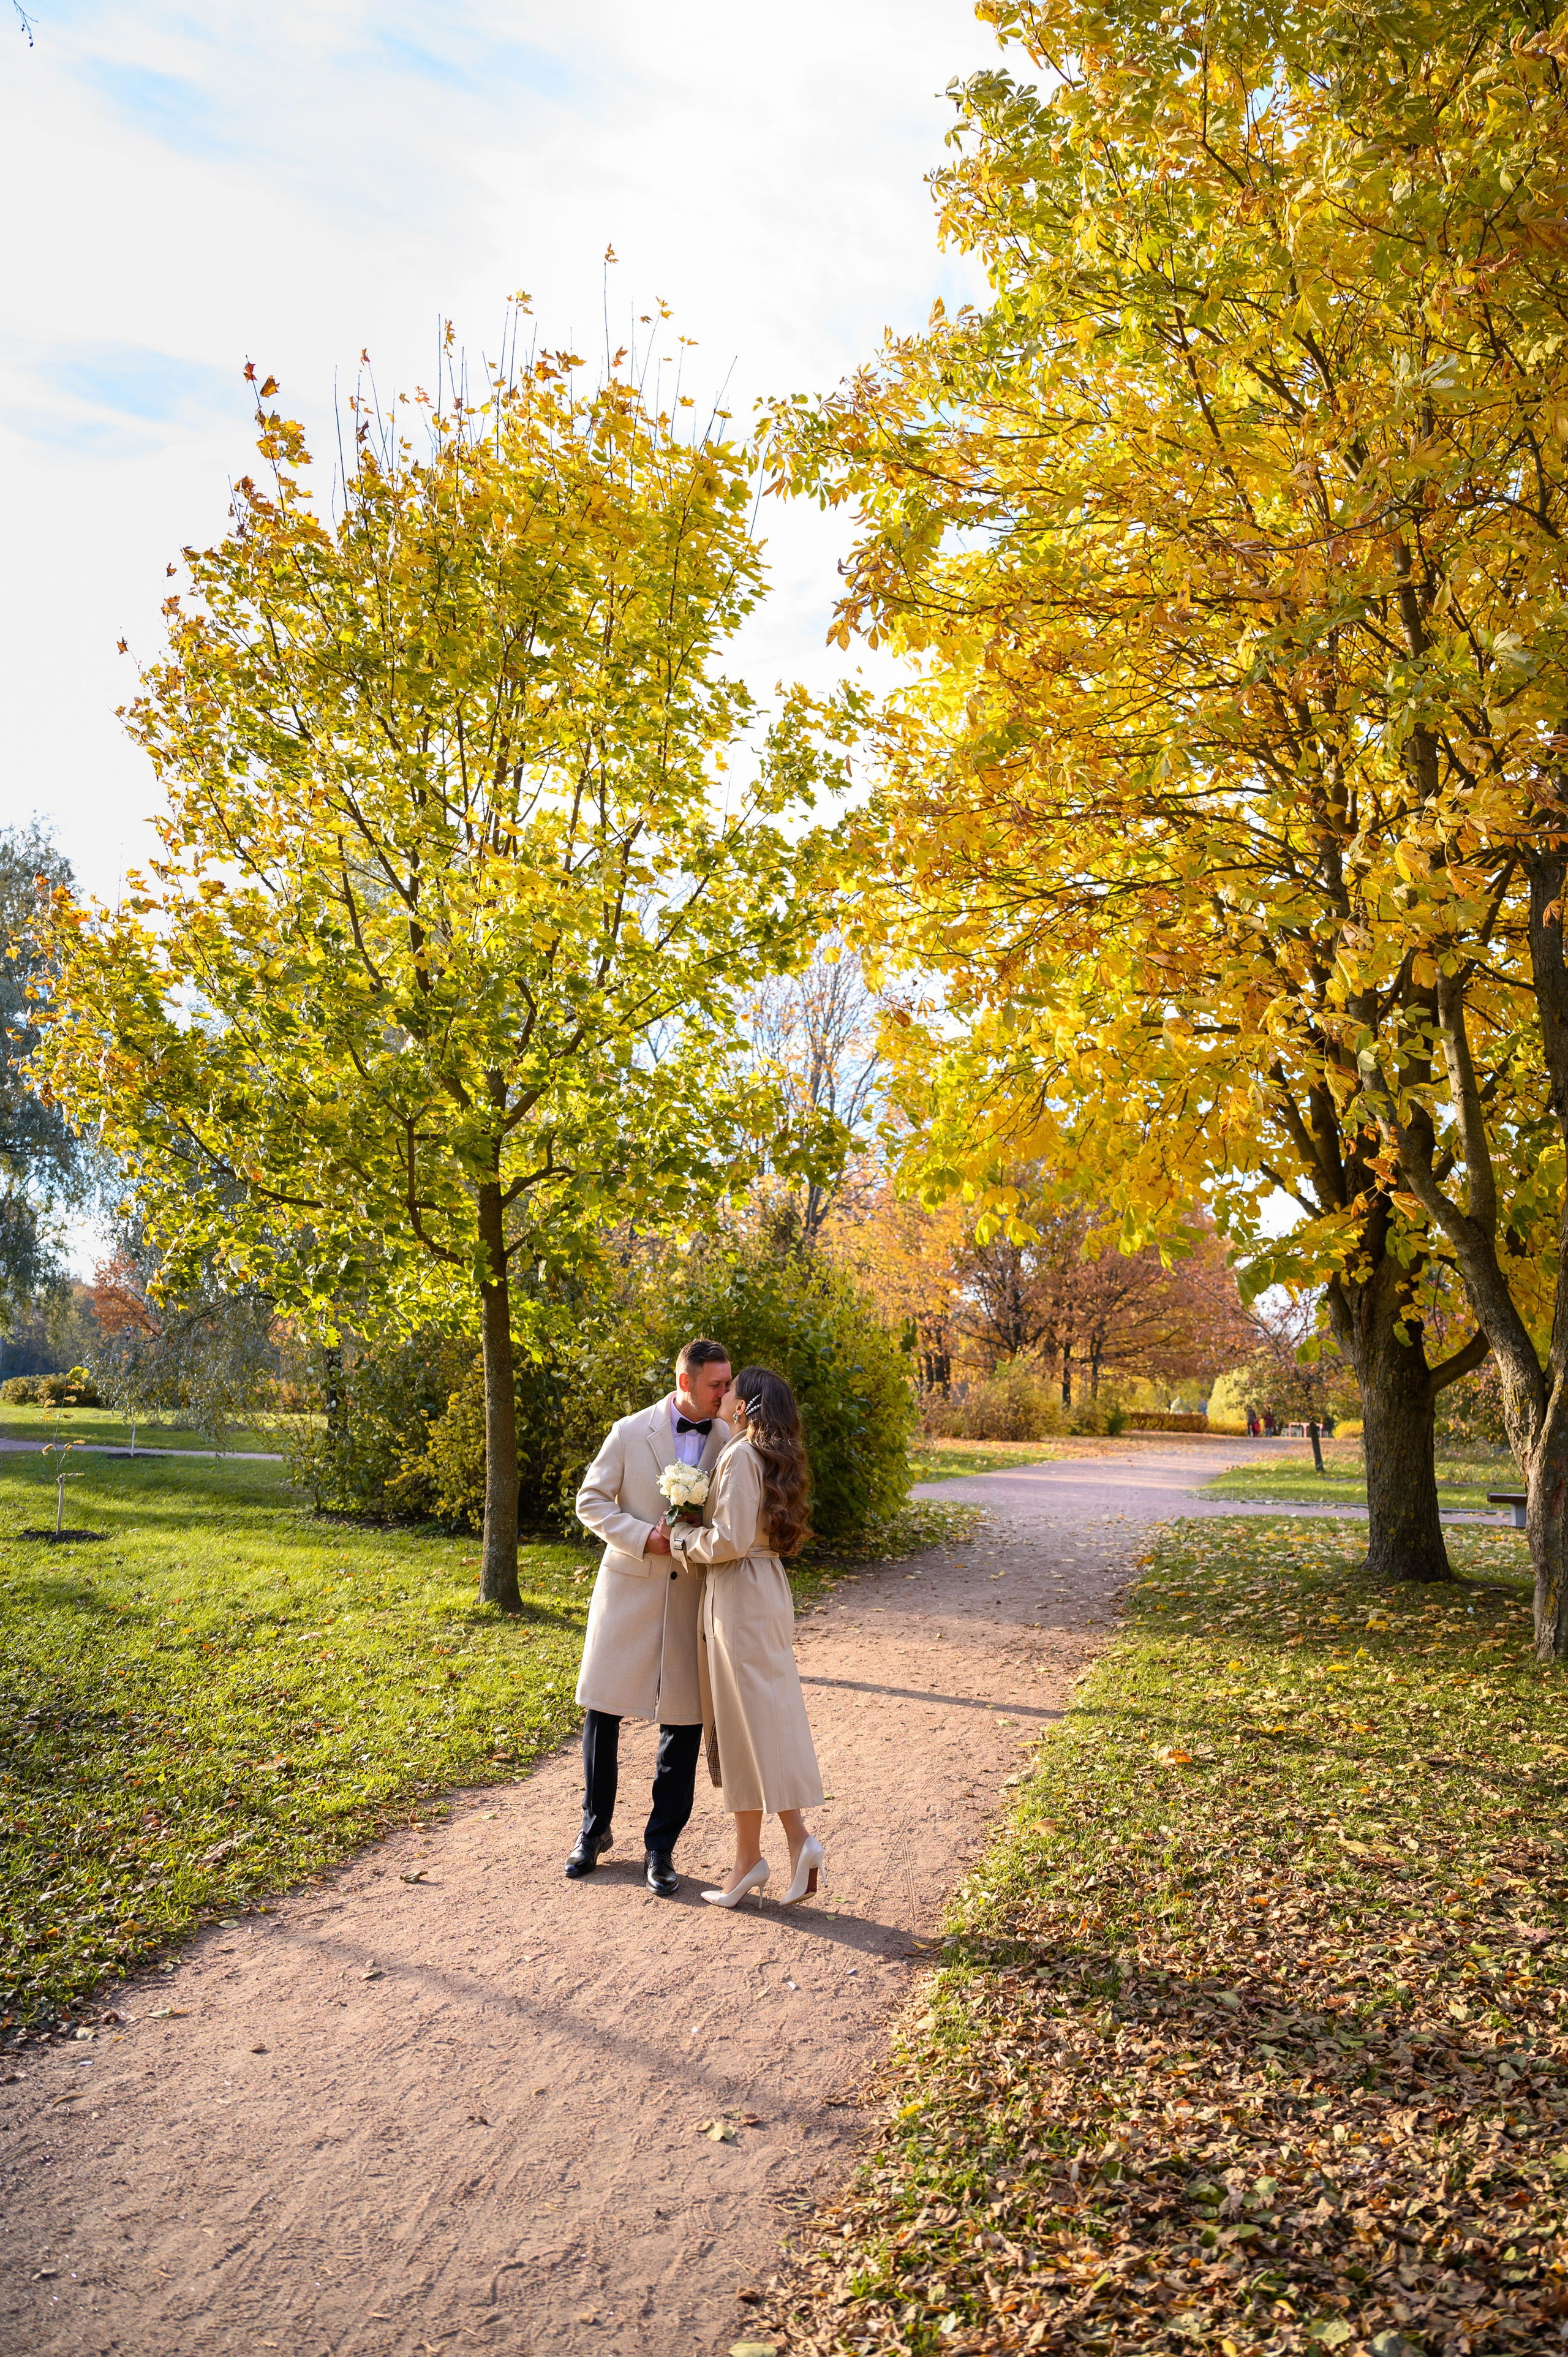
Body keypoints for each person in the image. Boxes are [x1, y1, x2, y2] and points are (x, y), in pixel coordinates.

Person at [569, 1337, 732, 1896]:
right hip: (628, 1591)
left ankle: (661, 1848)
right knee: (602, 1711)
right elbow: (591, 1501)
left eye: (728, 1383)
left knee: (683, 1725)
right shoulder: (629, 1431)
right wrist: (644, 1537)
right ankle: (593, 1830)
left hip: (693, 1598)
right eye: (716, 1384)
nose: (726, 1393)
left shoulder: (730, 1440)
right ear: (685, 1382)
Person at [662, 1364, 824, 1909]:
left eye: (730, 1388)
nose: (723, 1393)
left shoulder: (741, 1456)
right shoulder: (773, 1457)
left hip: (739, 1591)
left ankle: (795, 1839)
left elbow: (728, 1541)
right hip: (765, 1585)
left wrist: (682, 1538)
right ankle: (749, 1858)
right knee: (751, 1721)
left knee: (749, 1723)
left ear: (743, 1405)